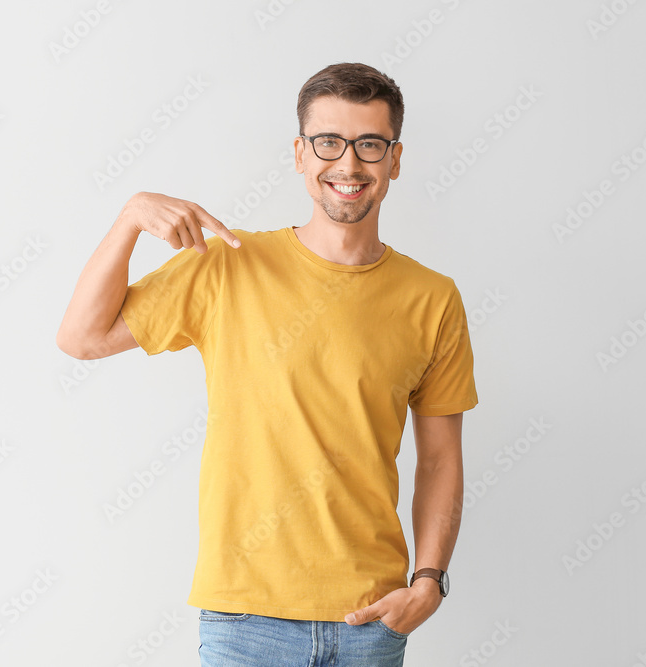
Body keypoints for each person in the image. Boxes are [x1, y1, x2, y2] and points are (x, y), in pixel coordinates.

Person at [57, 62, 478, 667]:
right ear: (302, 155)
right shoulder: (226, 264)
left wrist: (429, 582)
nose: (349, 164)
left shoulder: (433, 297)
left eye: (370, 145)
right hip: (244, 619)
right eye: (329, 143)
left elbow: (440, 458)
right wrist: (129, 219)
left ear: (396, 158)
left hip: (370, 618)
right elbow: (81, 337)